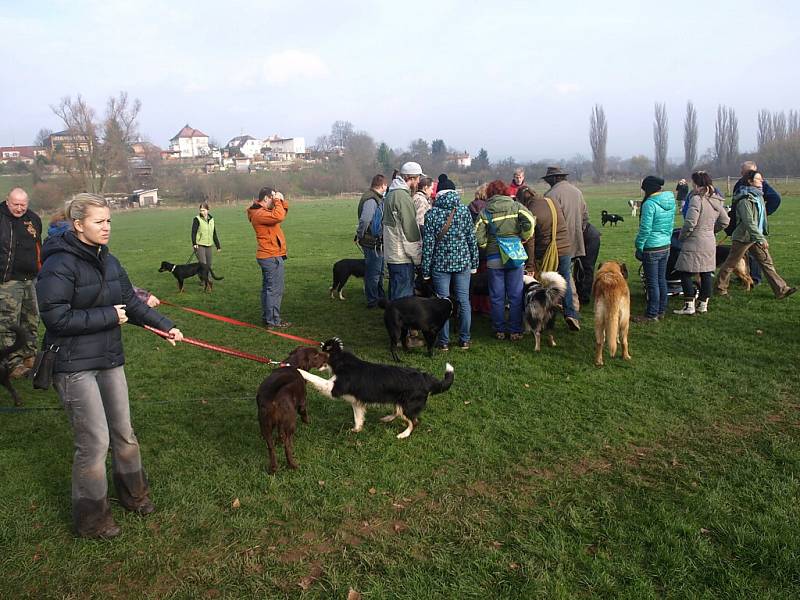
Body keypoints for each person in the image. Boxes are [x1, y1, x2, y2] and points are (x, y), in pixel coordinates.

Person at [35, 193, 184, 539]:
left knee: (124, 433)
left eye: (109, 221)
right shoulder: (58, 263)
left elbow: (130, 302)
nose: (107, 228)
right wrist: (108, 315)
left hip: (108, 358)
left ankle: (134, 494)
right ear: (78, 224)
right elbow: (55, 318)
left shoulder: (109, 260)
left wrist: (164, 326)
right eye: (99, 222)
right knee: (94, 442)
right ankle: (92, 520)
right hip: (73, 365)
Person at [716, 170, 796, 300]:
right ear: (750, 181)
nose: (762, 181)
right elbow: (748, 222)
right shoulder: (744, 199)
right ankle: (720, 289)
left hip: (754, 236)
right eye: (759, 179)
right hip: (743, 237)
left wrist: (760, 234)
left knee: (766, 262)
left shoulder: (758, 196)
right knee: (731, 264)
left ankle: (781, 290)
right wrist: (760, 237)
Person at [475, 180, 535, 340]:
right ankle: (515, 330)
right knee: (516, 294)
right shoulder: (516, 206)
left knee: (496, 296)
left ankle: (499, 329)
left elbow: (478, 234)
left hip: (494, 257)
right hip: (515, 255)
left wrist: (487, 246)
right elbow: (530, 221)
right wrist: (523, 236)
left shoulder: (486, 211)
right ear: (506, 192)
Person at [421, 187, 479, 350]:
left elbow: (428, 245)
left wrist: (425, 271)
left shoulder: (431, 214)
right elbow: (471, 239)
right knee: (463, 301)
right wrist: (474, 263)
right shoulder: (463, 211)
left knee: (442, 302)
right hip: (462, 263)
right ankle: (465, 339)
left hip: (440, 264)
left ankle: (443, 341)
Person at [515, 186, 579, 325]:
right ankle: (571, 313)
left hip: (545, 252)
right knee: (564, 279)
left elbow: (531, 241)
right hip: (565, 248)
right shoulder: (552, 201)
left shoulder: (529, 212)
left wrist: (530, 265)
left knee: (544, 284)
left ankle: (547, 317)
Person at [672, 172, 729, 315]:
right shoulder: (716, 199)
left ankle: (689, 305)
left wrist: (682, 236)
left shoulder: (697, 199)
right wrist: (711, 230)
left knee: (684, 272)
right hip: (709, 240)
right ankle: (703, 305)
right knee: (706, 273)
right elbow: (725, 221)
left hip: (694, 241)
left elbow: (691, 222)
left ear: (696, 184)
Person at [0, 187, 42, 379]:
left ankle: (29, 356)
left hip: (29, 279)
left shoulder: (33, 219)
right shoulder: (1, 218)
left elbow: (37, 246)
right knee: (9, 322)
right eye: (15, 204)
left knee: (31, 319)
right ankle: (12, 362)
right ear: (7, 202)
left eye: (22, 205)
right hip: (7, 281)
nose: (18, 208)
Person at [542, 166, 587, 330]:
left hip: (558, 244)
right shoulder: (578, 192)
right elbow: (585, 218)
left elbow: (548, 222)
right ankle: (572, 309)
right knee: (567, 275)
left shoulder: (551, 196)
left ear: (553, 179)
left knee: (559, 278)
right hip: (575, 240)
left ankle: (564, 311)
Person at [729, 160, 782, 286]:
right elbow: (738, 207)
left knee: (761, 259)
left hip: (752, 229)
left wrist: (763, 215)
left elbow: (775, 198)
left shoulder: (760, 186)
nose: (743, 174)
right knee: (735, 261)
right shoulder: (740, 187)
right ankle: (731, 282)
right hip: (743, 230)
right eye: (743, 172)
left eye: (746, 172)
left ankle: (775, 286)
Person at [634, 175, 676, 322]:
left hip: (651, 247)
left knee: (652, 282)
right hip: (665, 245)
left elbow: (645, 229)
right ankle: (661, 310)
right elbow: (670, 224)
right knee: (661, 279)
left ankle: (652, 314)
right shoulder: (670, 201)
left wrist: (639, 246)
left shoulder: (649, 204)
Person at [247, 186, 291, 328]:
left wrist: (281, 202)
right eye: (272, 197)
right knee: (274, 290)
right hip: (271, 256)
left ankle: (268, 318)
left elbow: (281, 214)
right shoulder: (260, 213)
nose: (275, 200)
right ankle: (273, 320)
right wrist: (278, 200)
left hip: (269, 255)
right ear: (266, 198)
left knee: (268, 289)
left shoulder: (262, 212)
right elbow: (278, 216)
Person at [383, 162, 425, 300]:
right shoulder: (402, 197)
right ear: (411, 178)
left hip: (392, 254)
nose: (419, 181)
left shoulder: (391, 194)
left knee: (394, 296)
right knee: (403, 301)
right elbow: (410, 232)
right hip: (402, 256)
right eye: (418, 178)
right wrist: (418, 259)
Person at [356, 174, 388, 308]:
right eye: (386, 185)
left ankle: (379, 298)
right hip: (372, 242)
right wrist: (360, 234)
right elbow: (365, 220)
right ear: (382, 185)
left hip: (375, 242)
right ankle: (372, 300)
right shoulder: (371, 200)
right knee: (373, 273)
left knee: (378, 272)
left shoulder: (373, 197)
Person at [575, 222, 601, 305]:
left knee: (587, 267)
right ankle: (580, 293)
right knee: (580, 266)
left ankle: (584, 297)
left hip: (590, 237)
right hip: (587, 234)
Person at [191, 202, 221, 268]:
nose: (202, 212)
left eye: (204, 210)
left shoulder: (211, 219)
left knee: (209, 264)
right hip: (199, 245)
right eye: (201, 210)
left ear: (208, 210)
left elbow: (214, 233)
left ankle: (208, 278)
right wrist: (194, 244)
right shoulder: (197, 219)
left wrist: (218, 246)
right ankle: (204, 278)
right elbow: (193, 232)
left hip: (209, 245)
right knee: (203, 264)